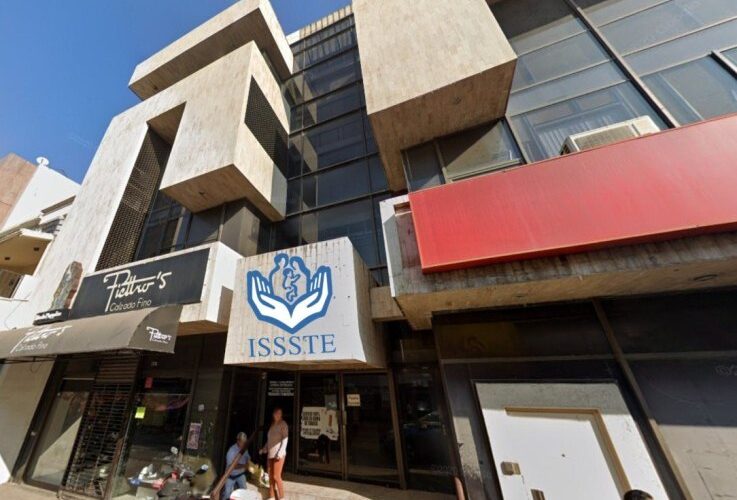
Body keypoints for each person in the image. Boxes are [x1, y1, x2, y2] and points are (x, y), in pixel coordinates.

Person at [260, 407, 288, 500]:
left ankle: (282, 497)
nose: (278, 415)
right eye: (276, 413)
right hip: (270, 454)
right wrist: (264, 449)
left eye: (279, 413)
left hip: (279, 455)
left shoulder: (283, 424)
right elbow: (269, 440)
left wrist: (280, 452)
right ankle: (271, 497)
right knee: (270, 477)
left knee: (276, 476)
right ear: (273, 414)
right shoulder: (272, 425)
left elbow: (285, 439)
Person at [222, 432, 250, 500]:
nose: (244, 444)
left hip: (240, 474)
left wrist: (248, 462)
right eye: (242, 442)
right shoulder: (231, 451)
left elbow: (248, 457)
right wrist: (244, 466)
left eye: (245, 442)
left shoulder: (245, 448)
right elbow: (231, 466)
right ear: (238, 441)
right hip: (230, 475)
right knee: (227, 494)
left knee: (244, 491)